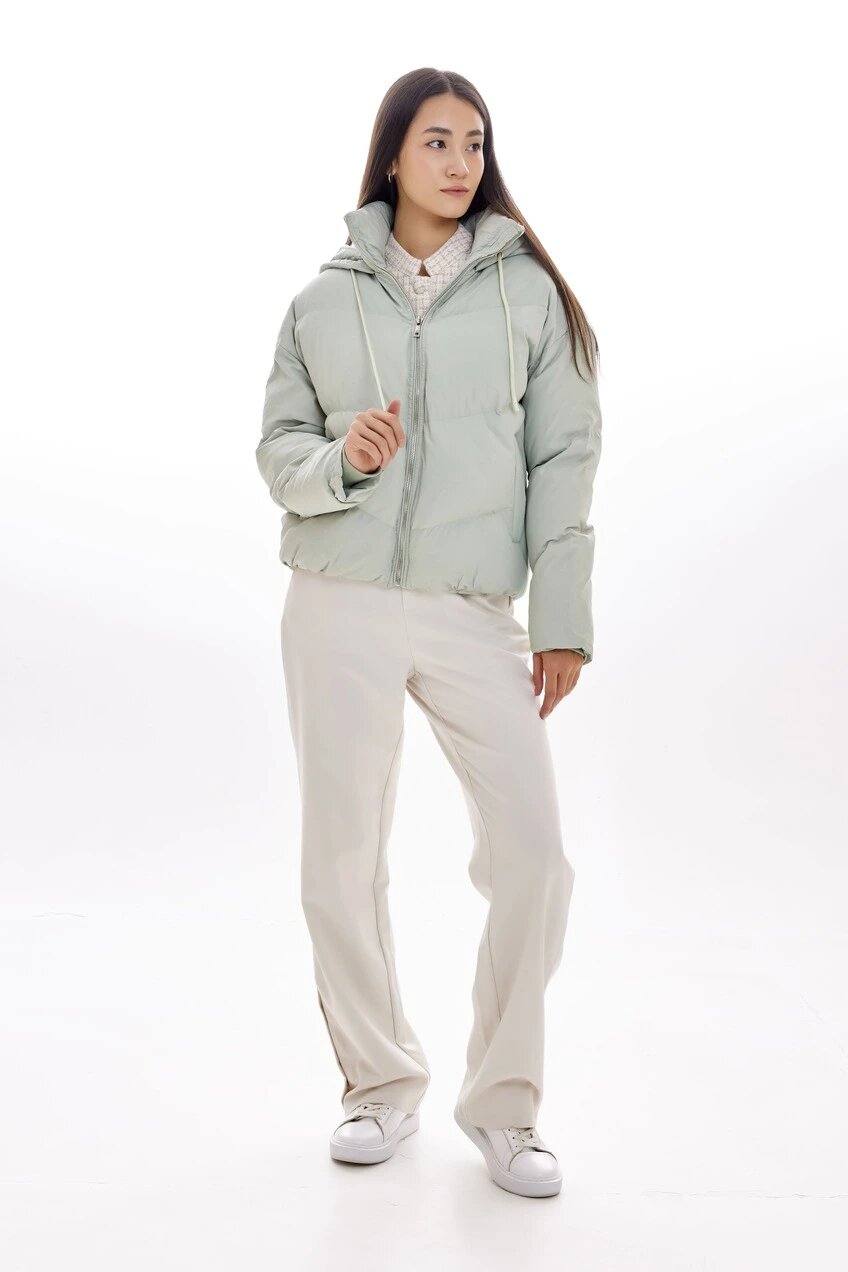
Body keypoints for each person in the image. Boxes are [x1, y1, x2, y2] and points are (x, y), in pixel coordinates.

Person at [255, 67, 602, 1200]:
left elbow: (564, 461)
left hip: (470, 608)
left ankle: (505, 1106)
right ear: (393, 156)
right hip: (339, 598)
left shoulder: (528, 295)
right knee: (340, 858)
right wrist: (339, 462)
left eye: (475, 142)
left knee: (534, 858)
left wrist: (561, 621)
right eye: (437, 141)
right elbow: (278, 451)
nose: (460, 162)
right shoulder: (321, 300)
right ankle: (377, 1084)